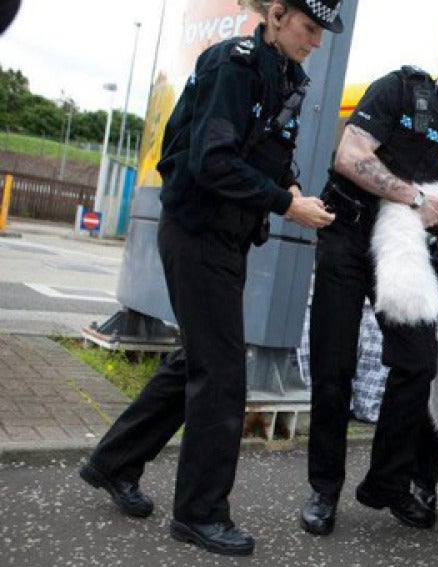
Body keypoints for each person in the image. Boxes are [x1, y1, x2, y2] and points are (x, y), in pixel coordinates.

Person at [78, 0, 340, 557]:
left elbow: (264, 153)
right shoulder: (235, 65)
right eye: (309, 27)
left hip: (226, 238)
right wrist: (284, 206)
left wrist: (290, 192)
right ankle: (199, 514)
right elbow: (211, 161)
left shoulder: (284, 74)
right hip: (196, 231)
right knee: (221, 375)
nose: (315, 41)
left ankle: (114, 462)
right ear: (276, 13)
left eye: (321, 33)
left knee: (196, 360)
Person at [300, 24, 438, 536]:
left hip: (405, 251)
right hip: (349, 234)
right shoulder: (397, 90)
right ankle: (323, 490)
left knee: (418, 362)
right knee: (335, 369)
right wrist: (417, 199)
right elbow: (350, 158)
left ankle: (387, 482)